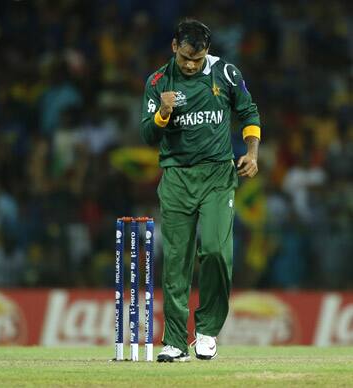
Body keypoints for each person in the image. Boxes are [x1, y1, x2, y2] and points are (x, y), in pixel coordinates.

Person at [140, 19, 261, 362]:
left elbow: (249, 112)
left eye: (198, 58)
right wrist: (163, 113)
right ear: (174, 46)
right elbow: (147, 135)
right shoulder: (158, 82)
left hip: (218, 176)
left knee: (215, 252)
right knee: (176, 261)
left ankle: (206, 331)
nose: (192, 65)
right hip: (176, 177)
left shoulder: (225, 73)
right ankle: (175, 342)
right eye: (186, 59)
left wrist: (251, 153)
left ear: (207, 51)